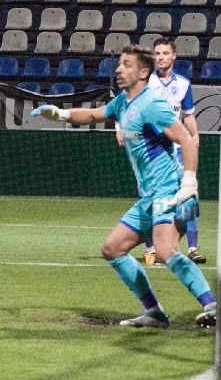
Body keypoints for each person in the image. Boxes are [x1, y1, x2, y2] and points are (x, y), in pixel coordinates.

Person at [33, 45, 216, 330]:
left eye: (126, 64)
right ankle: (154, 313)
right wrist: (61, 115)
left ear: (143, 72)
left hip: (169, 190)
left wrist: (189, 182)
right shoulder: (123, 102)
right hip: (149, 196)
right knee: (113, 248)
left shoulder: (152, 104)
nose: (118, 69)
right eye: (119, 63)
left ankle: (212, 306)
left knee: (165, 250)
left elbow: (187, 140)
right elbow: (93, 115)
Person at [124, 38, 204, 266]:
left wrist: (194, 134)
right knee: (152, 199)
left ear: (173, 56)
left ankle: (192, 249)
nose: (160, 57)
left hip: (178, 151)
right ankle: (151, 249)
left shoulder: (184, 84)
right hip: (152, 152)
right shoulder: (145, 83)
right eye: (157, 53)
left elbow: (188, 114)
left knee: (189, 197)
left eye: (165, 53)